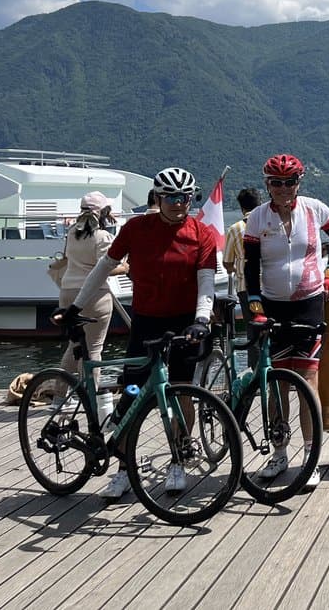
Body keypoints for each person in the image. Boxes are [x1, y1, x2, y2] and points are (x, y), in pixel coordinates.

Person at [62, 166, 219, 499]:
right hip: (146, 322)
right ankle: (123, 468)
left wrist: (202, 318)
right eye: (171, 198)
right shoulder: (136, 229)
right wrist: (76, 306)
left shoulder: (201, 233)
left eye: (185, 197)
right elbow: (104, 267)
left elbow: (206, 280)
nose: (179, 203)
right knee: (133, 392)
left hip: (185, 323)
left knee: (183, 391)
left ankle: (178, 460)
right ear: (158, 199)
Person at [244, 153, 329, 490]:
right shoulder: (258, 217)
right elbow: (250, 267)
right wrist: (256, 306)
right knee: (277, 385)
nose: (284, 188)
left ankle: (311, 456)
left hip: (309, 304)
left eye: (290, 182)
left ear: (299, 183)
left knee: (308, 382)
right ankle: (279, 453)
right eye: (277, 183)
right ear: (267, 185)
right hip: (273, 306)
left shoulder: (315, 209)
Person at [56, 192, 128, 380]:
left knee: (74, 346)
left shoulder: (72, 232)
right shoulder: (103, 237)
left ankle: (59, 392)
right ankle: (90, 394)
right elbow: (104, 269)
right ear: (104, 212)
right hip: (95, 295)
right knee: (94, 348)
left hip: (67, 292)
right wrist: (125, 267)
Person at [222, 187, 261, 309]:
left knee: (253, 320)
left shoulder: (235, 229)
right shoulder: (270, 224)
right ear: (260, 204)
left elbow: (227, 262)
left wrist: (238, 270)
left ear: (242, 208)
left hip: (245, 286)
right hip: (271, 286)